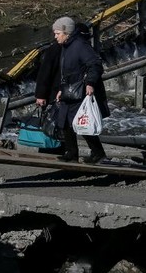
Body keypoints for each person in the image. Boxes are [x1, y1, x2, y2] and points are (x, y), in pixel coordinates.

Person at [35, 16, 110, 164]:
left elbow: (95, 64)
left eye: (57, 33)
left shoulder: (80, 46)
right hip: (68, 90)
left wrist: (90, 83)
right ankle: (71, 153)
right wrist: (61, 90)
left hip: (80, 91)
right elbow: (65, 72)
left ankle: (98, 153)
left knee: (83, 123)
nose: (55, 36)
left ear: (66, 32)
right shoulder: (66, 46)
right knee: (65, 122)